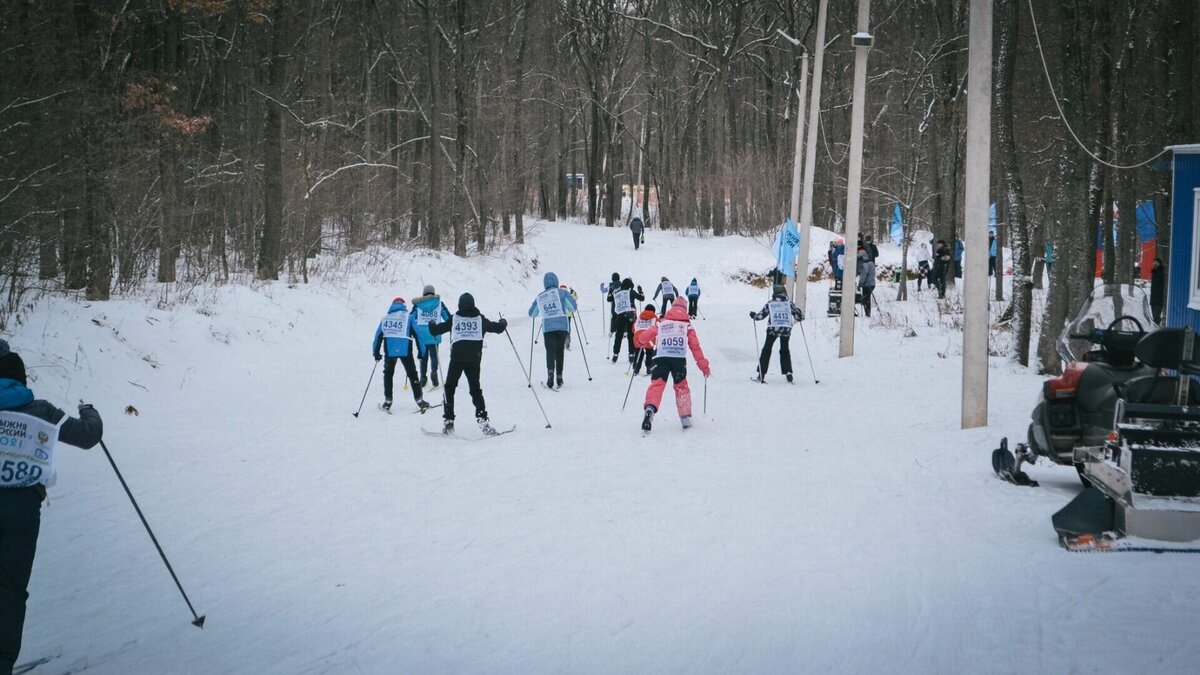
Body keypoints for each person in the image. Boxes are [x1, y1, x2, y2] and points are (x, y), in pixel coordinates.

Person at [0, 340, 103, 675]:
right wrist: (89, 410)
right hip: (22, 511)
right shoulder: (41, 411)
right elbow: (88, 436)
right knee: (11, 593)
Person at [429, 293, 508, 435]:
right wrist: (502, 323)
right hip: (474, 359)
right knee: (475, 389)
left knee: (449, 388)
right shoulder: (480, 319)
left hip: (457, 359)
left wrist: (432, 325)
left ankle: (449, 422)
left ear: (460, 305)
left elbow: (435, 331)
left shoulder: (455, 319)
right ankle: (483, 420)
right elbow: (497, 329)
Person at [634, 298, 711, 433]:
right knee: (681, 387)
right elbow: (695, 347)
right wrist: (704, 366)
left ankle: (650, 408)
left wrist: (640, 341)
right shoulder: (687, 326)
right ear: (685, 310)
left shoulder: (662, 323)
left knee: (657, 385)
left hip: (660, 358)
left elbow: (648, 334)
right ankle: (685, 417)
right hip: (678, 359)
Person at [372, 297, 429, 413]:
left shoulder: (386, 318)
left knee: (388, 374)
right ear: (403, 305)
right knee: (412, 374)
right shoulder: (409, 317)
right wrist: (421, 352)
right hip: (405, 351)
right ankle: (420, 401)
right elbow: (418, 335)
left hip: (390, 351)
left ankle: (388, 401)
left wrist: (376, 353)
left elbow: (377, 336)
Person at [528, 272, 578, 390]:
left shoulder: (540, 296)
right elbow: (573, 307)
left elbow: (532, 313)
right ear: (556, 281)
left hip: (548, 329)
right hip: (562, 327)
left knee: (550, 352)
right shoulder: (563, 293)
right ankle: (559, 377)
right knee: (560, 351)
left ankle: (550, 374)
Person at [749, 285, 805, 383]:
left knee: (767, 349)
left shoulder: (771, 304)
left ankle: (761, 374)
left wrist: (754, 316)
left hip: (773, 329)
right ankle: (788, 373)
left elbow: (761, 316)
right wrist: (799, 314)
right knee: (784, 349)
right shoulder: (789, 304)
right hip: (786, 329)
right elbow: (798, 316)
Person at [412, 285, 451, 389]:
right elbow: (448, 318)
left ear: (423, 293)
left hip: (422, 336)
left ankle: (423, 378)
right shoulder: (439, 303)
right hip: (434, 334)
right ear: (433, 293)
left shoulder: (418, 304)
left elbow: (411, 317)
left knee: (423, 357)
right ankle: (434, 373)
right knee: (434, 357)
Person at [608, 277, 643, 363]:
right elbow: (642, 298)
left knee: (618, 335)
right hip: (631, 315)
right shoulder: (631, 292)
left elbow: (609, 299)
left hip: (620, 315)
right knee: (631, 335)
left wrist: (610, 291)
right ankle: (631, 354)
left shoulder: (617, 292)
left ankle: (615, 354)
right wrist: (640, 291)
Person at [631, 304, 659, 376]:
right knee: (649, 352)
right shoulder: (655, 318)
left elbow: (633, 329)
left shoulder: (639, 318)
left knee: (638, 351)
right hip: (649, 338)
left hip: (638, 338)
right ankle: (649, 367)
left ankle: (636, 368)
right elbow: (659, 328)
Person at [857, 247, 877, 318]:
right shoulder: (871, 262)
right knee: (867, 298)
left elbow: (863, 275)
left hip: (867, 284)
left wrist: (860, 284)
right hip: (872, 283)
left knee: (865, 298)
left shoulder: (865, 264)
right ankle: (867, 313)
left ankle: (867, 313)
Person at [1151, 257, 1165, 324]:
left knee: (1156, 316)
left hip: (1159, 298)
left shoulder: (1161, 272)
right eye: (1154, 262)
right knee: (1154, 316)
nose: (1154, 264)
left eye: (1156, 263)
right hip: (1153, 298)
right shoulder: (1154, 272)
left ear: (1159, 264)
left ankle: (1157, 329)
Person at [606, 272, 621, 336]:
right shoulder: (621, 284)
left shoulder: (611, 286)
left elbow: (609, 298)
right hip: (621, 303)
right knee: (620, 316)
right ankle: (621, 330)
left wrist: (610, 296)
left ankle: (612, 330)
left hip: (614, 304)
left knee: (614, 317)